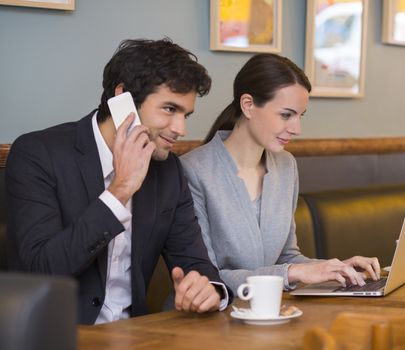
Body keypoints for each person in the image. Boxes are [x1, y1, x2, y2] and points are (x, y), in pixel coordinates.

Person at [6, 38, 231, 325]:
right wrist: (120, 189)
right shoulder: (38, 154)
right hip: (54, 336)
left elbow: (196, 264)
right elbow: (40, 269)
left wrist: (209, 290)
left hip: (137, 336)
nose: (181, 129)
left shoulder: (168, 170)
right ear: (122, 98)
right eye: (169, 109)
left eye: (185, 114)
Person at [180, 53, 381, 295]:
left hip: (269, 316)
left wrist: (336, 268)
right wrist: (292, 273)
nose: (296, 129)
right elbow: (208, 278)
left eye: (300, 115)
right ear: (248, 105)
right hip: (209, 321)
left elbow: (288, 256)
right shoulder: (193, 170)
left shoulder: (286, 166)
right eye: (286, 115)